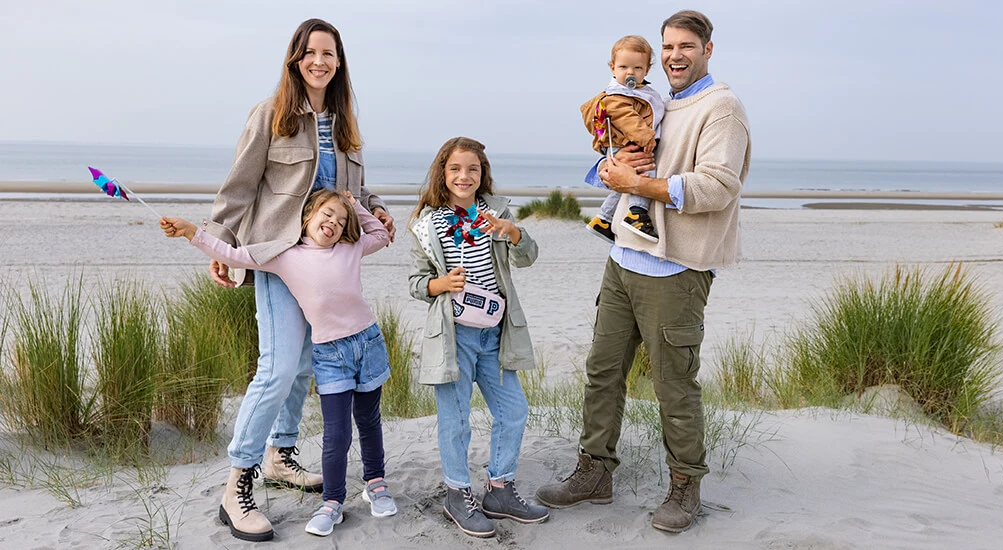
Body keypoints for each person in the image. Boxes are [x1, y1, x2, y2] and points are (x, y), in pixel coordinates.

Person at [536, 10, 751, 534]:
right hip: (623, 260)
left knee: (674, 383)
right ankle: (594, 473)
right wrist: (612, 170)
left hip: (676, 268)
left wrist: (644, 185)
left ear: (707, 50)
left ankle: (685, 485)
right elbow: (620, 159)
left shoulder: (721, 109)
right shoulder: (657, 101)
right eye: (669, 46)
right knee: (602, 372)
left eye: (686, 46)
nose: (676, 55)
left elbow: (718, 186)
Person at [201, 18, 395, 542]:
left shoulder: (345, 121)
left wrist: (375, 205)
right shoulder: (271, 114)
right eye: (311, 52)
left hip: (327, 266)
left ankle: (281, 454)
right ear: (295, 59)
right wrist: (221, 240)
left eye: (329, 54)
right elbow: (239, 184)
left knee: (306, 365)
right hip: (278, 255)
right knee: (278, 366)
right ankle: (236, 484)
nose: (320, 61)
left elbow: (352, 190)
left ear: (339, 62)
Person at [161, 189, 395, 538]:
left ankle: (376, 483)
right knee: (336, 432)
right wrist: (192, 232)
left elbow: (379, 234)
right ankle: (332, 502)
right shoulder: (285, 257)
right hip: (330, 355)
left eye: (341, 220)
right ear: (306, 218)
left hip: (369, 343)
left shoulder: (350, 248)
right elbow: (233, 254)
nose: (333, 222)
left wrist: (357, 205)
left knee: (369, 419)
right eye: (326, 215)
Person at [407, 137, 549, 538]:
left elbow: (529, 257)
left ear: (482, 173)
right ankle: (457, 493)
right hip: (454, 336)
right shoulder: (427, 222)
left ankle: (499, 489)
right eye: (455, 169)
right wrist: (440, 284)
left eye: (472, 169)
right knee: (455, 420)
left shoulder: (496, 213)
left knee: (514, 410)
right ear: (443, 173)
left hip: (495, 334)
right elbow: (416, 283)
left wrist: (514, 233)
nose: (464, 176)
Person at [580, 35, 665, 244]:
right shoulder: (618, 95)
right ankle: (637, 213)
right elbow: (627, 119)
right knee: (643, 171)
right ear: (612, 68)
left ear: (647, 70)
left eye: (637, 68)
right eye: (623, 67)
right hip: (626, 144)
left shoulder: (637, 92)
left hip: (624, 144)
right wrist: (647, 137)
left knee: (624, 183)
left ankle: (603, 220)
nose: (630, 73)